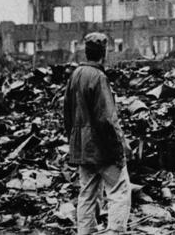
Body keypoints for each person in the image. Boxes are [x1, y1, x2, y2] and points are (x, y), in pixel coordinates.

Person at [63, 32, 131, 235]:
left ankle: (85, 232)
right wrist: (119, 148)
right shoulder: (99, 77)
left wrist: (74, 141)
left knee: (87, 193)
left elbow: (67, 113)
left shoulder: (75, 75)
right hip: (102, 148)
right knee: (119, 190)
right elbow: (107, 119)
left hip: (83, 148)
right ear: (104, 53)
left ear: (86, 52)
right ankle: (115, 232)